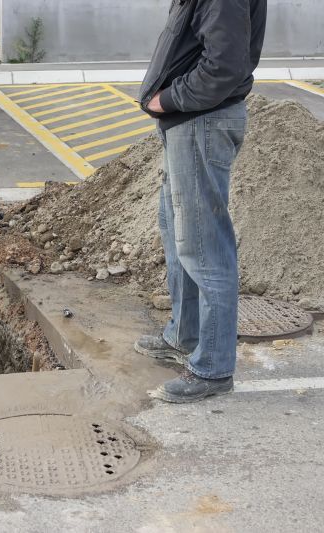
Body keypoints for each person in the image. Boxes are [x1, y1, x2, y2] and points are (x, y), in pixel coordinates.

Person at [135, 0, 267, 403]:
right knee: (177, 232)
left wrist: (169, 98)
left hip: (201, 121)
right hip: (191, 123)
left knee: (203, 246)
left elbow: (224, 66)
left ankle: (212, 367)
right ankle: (185, 333)